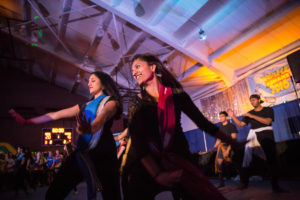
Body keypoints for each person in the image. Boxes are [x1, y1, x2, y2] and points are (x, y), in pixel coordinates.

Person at [126, 53, 243, 200]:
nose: (134, 72)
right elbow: (138, 141)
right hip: (149, 163)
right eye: (132, 71)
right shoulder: (135, 103)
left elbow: (203, 123)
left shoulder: (176, 95)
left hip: (179, 158)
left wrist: (232, 142)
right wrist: (158, 174)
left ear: (153, 67)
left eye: (137, 66)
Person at [9, 71, 122, 200]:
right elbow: (56, 114)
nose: (89, 83)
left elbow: (101, 118)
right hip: (83, 153)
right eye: (88, 80)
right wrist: (28, 121)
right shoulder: (84, 105)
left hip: (104, 153)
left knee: (112, 196)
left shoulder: (112, 102)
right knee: (53, 193)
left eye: (93, 80)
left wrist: (90, 128)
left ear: (103, 84)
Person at [227, 94, 286, 193]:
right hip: (253, 134)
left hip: (266, 134)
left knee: (271, 159)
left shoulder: (268, 110)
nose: (252, 102)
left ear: (259, 100)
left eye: (254, 100)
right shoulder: (250, 113)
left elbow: (267, 122)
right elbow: (240, 125)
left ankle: (275, 187)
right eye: (251, 101)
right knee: (246, 158)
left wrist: (252, 116)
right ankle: (244, 183)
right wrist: (233, 116)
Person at [211, 111, 237, 188]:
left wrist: (228, 150)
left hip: (231, 146)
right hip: (222, 147)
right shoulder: (219, 128)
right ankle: (221, 182)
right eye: (220, 116)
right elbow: (219, 139)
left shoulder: (231, 126)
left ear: (226, 117)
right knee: (219, 164)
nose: (221, 118)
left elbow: (233, 138)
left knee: (235, 163)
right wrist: (214, 147)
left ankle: (243, 180)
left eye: (222, 116)